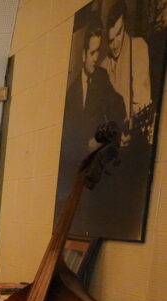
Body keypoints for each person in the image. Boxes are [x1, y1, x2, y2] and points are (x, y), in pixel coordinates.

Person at [57, 21, 125, 207]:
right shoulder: (71, 94)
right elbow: (67, 141)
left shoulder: (101, 77)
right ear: (83, 54)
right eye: (92, 53)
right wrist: (87, 145)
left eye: (98, 52)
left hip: (96, 169)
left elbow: (117, 104)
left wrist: (117, 128)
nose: (96, 58)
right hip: (76, 170)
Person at [102, 1, 153, 146]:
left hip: (135, 139)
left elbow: (142, 100)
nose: (115, 44)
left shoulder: (138, 47)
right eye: (111, 40)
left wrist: (130, 131)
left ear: (125, 25)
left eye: (119, 34)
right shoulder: (103, 65)